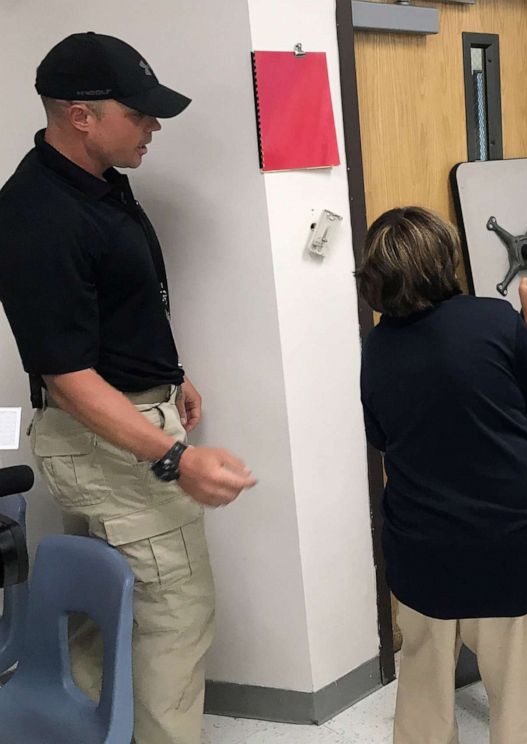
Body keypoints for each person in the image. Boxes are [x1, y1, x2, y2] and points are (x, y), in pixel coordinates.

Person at [0, 33, 256, 744]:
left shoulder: (99, 180)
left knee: (109, 612)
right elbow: (70, 377)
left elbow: (115, 309)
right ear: (80, 115)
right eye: (138, 113)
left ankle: (79, 731)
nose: (153, 125)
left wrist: (171, 377)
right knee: (178, 613)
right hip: (112, 441)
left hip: (124, 421)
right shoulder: (37, 216)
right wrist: (173, 457)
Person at [356, 206, 527, 744]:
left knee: (422, 713)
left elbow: (385, 446)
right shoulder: (493, 320)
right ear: (443, 263)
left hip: (421, 556)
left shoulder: (377, 349)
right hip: (514, 550)